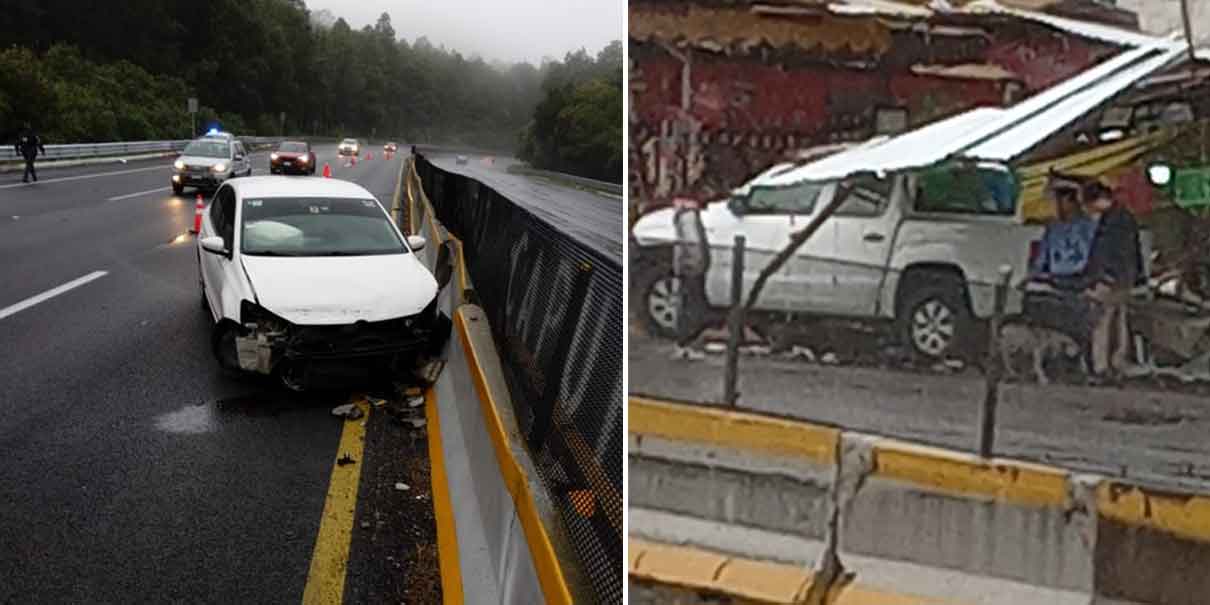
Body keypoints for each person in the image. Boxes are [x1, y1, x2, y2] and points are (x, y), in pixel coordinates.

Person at [1081, 180, 1142, 380]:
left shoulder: (1111, 221)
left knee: (1102, 321)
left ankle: (1101, 366)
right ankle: (1117, 362)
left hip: (1110, 278)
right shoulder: (1125, 218)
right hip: (1125, 276)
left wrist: (1100, 276)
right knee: (1119, 320)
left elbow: (1106, 253)